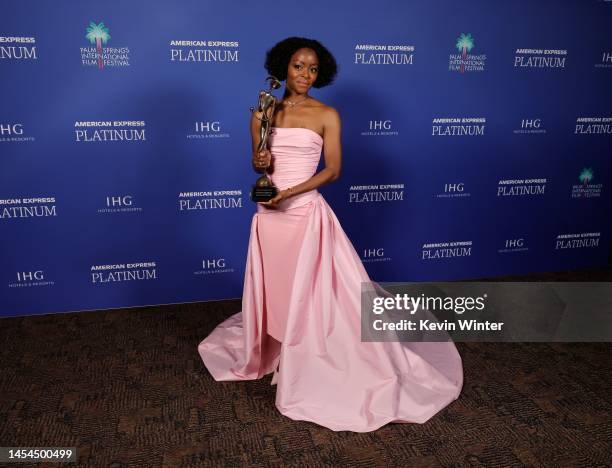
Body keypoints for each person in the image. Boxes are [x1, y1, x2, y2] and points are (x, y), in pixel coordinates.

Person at [198, 37, 463, 432]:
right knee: (279, 286)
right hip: (268, 215)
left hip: (303, 211)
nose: (305, 75)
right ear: (281, 68)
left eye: (313, 69)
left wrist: (289, 192)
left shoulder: (327, 114)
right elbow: (260, 167)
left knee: (310, 291)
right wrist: (260, 163)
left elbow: (333, 170)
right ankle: (280, 347)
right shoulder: (262, 111)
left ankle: (309, 357)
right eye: (298, 66)